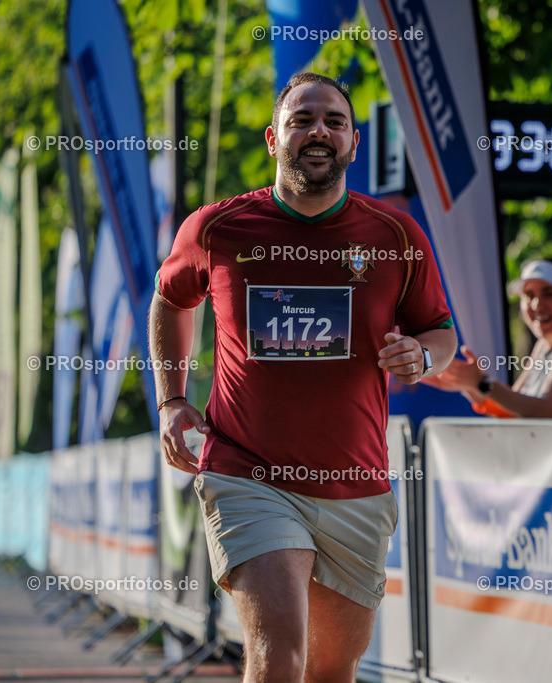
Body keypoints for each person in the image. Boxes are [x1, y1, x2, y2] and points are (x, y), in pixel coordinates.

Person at [149, 73, 457, 682]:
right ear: (273, 138)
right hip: (248, 474)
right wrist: (172, 399)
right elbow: (170, 299)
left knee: (328, 671)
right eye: (302, 120)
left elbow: (443, 333)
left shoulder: (395, 235)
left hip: (354, 483)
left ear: (353, 142)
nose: (318, 131)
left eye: (333, 122)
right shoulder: (218, 228)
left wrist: (421, 358)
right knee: (279, 656)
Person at [425, 258, 552, 439]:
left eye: (549, 293)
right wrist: (472, 388)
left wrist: (482, 384)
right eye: (529, 295)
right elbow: (515, 411)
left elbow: (544, 411)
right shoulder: (544, 345)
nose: (537, 304)